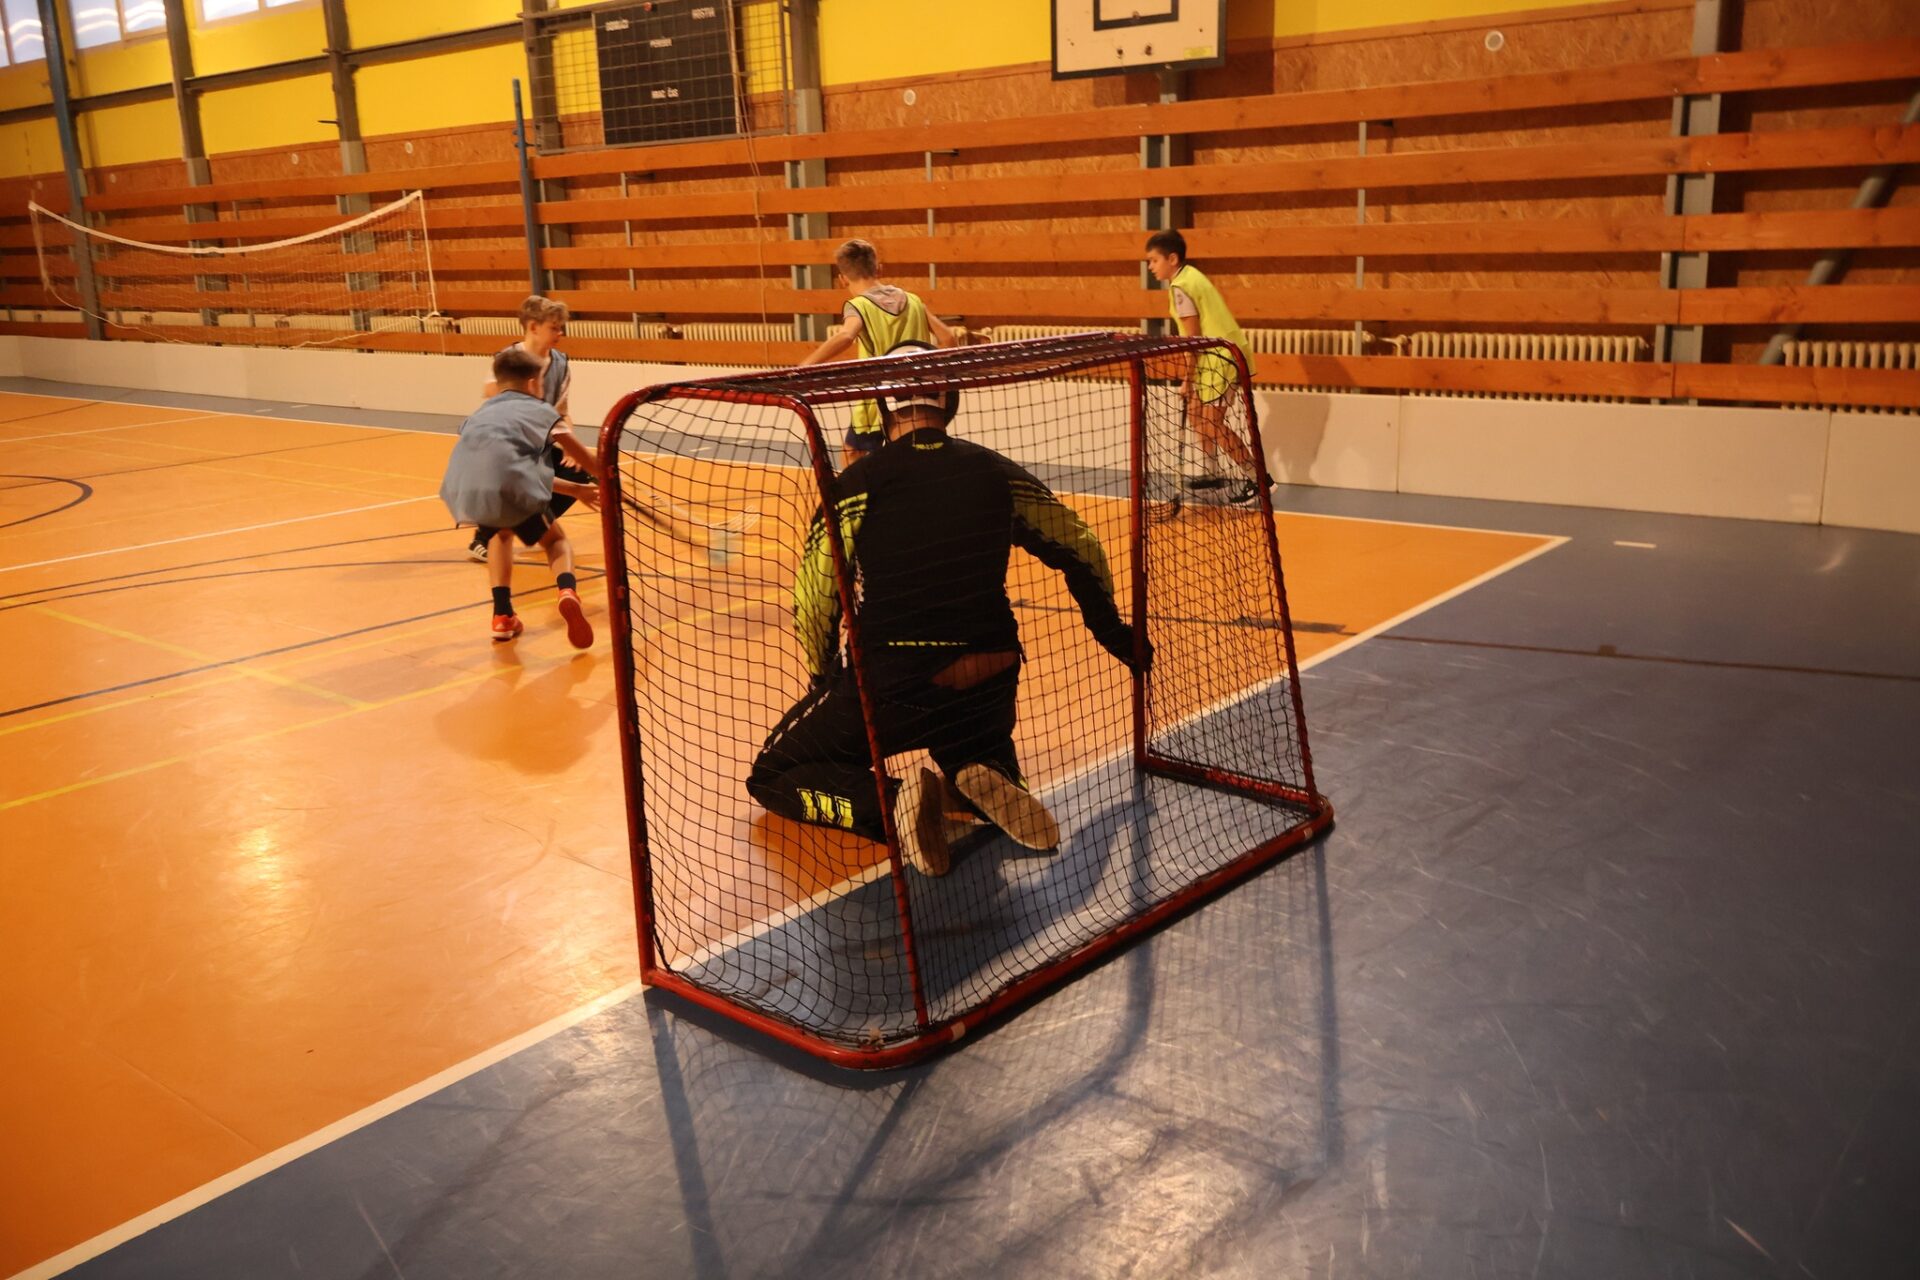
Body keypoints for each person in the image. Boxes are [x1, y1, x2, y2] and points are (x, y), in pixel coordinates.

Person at [746, 374, 1149, 877]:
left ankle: (893, 804)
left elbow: (814, 596)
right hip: (990, 679)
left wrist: (822, 673)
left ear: (883, 410)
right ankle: (985, 772)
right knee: (969, 743)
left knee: (773, 774)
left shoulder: (857, 482)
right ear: (948, 402)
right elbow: (1081, 546)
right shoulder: (995, 470)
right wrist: (1113, 633)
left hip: (895, 684)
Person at [440, 346, 603, 646]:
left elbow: (511, 472)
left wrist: (576, 490)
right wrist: (607, 476)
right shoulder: (542, 412)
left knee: (500, 534)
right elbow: (582, 458)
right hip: (508, 486)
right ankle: (567, 591)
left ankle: (502, 616)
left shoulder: (479, 414)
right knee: (555, 541)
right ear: (532, 384)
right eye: (541, 382)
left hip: (465, 490)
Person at [798, 238, 957, 468]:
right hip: (921, 397)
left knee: (852, 455)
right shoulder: (913, 301)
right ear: (879, 269)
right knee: (911, 458)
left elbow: (846, 336)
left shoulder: (859, 306)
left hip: (878, 400)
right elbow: (948, 338)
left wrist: (804, 366)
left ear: (842, 279)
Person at [1142, 230, 1270, 507]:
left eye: (1153, 260)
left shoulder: (1181, 287)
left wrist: (1187, 380)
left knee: (1213, 423)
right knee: (1197, 413)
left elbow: (1193, 339)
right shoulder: (1190, 277)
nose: (1150, 266)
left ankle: (1260, 481)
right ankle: (1211, 473)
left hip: (1221, 360)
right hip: (1215, 358)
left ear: (1172, 259)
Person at [465, 295, 588, 563]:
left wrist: (571, 447)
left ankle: (535, 525)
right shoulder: (510, 358)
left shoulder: (561, 364)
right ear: (533, 327)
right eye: (554, 328)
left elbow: (562, 412)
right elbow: (490, 389)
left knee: (578, 472)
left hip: (539, 443)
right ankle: (482, 539)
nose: (560, 333)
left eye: (561, 327)